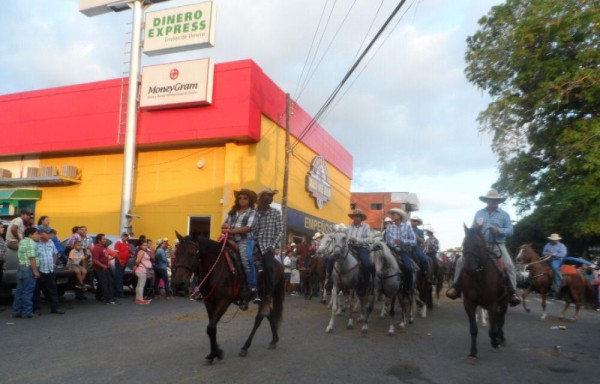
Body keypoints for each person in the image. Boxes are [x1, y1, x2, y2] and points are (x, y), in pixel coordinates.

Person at [446, 189, 521, 307]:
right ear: (487, 200)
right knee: (461, 261)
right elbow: (471, 229)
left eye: (495, 200)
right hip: (480, 245)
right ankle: (456, 287)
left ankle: (513, 293)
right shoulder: (479, 213)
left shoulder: (504, 215)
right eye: (490, 199)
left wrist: (499, 230)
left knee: (510, 266)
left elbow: (511, 230)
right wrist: (475, 228)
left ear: (498, 201)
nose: (492, 202)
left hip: (498, 245)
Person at [222, 188, 260, 304]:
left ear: (250, 200)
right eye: (240, 198)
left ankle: (253, 289)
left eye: (245, 198)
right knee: (214, 254)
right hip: (229, 240)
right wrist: (225, 228)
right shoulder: (232, 213)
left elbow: (248, 228)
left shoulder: (253, 213)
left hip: (245, 240)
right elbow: (223, 226)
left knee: (247, 259)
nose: (242, 200)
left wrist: (230, 231)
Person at [254, 187, 283, 304]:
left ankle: (269, 294)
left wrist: (272, 245)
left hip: (267, 246)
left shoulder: (276, 213)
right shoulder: (253, 213)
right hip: (253, 244)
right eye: (268, 195)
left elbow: (280, 231)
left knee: (269, 267)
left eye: (272, 196)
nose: (270, 198)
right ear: (261, 198)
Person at [32, 228, 65, 315]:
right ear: (41, 235)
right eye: (47, 234)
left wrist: (54, 264)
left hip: (50, 270)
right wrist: (35, 270)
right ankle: (36, 309)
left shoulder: (51, 242)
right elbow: (33, 258)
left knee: (53, 290)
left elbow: (55, 253)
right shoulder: (35, 244)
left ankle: (55, 308)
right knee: (37, 290)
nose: (49, 235)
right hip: (40, 270)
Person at [385, 208, 416, 291]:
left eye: (394, 214)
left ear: (400, 216)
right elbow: (388, 240)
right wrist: (393, 244)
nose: (392, 216)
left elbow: (414, 241)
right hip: (391, 251)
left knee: (408, 268)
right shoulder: (389, 228)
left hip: (403, 251)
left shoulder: (407, 227)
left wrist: (402, 241)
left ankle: (409, 288)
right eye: (392, 214)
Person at [11, 227, 40, 318]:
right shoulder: (32, 243)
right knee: (28, 291)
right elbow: (32, 257)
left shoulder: (22, 242)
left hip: (21, 267)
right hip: (29, 269)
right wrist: (35, 271)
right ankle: (27, 312)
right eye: (36, 233)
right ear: (31, 235)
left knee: (19, 291)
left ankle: (16, 311)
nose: (38, 235)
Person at [346, 209, 374, 295]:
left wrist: (357, 239)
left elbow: (369, 239)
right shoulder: (349, 226)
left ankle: (365, 284)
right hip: (349, 247)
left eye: (358, 216)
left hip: (361, 247)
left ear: (362, 218)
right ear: (353, 217)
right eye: (355, 216)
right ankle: (331, 281)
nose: (356, 218)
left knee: (366, 264)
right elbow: (345, 237)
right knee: (335, 259)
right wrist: (348, 241)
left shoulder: (366, 227)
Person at [92, 234, 116, 305]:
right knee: (104, 283)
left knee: (109, 282)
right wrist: (103, 265)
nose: (105, 240)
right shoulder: (96, 248)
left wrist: (107, 262)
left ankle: (99, 296)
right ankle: (108, 299)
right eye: (103, 239)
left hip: (106, 267)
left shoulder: (104, 248)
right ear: (99, 240)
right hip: (99, 268)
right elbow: (95, 260)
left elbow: (108, 256)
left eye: (105, 239)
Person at [409, 216, 434, 283]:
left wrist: (417, 237)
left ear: (417, 223)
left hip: (416, 247)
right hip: (406, 247)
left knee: (425, 259)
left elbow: (422, 241)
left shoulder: (420, 231)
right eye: (412, 220)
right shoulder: (407, 230)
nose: (413, 222)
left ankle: (427, 274)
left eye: (415, 221)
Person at [542, 233, 568, 298]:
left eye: (554, 240)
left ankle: (558, 282)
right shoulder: (548, 245)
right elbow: (543, 252)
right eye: (552, 239)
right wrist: (547, 253)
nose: (553, 241)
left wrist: (553, 254)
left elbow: (563, 254)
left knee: (554, 267)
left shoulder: (562, 246)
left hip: (557, 260)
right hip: (548, 259)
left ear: (557, 240)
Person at [133, 240, 153, 304]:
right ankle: (140, 299)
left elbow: (153, 257)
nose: (145, 246)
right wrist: (139, 266)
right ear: (141, 246)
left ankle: (138, 298)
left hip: (142, 270)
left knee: (139, 285)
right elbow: (137, 261)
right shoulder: (141, 252)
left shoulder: (145, 251)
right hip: (142, 270)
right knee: (141, 285)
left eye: (146, 245)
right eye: (144, 245)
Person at [114, 232, 132, 298]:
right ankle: (118, 292)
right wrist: (120, 261)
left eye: (126, 236)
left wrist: (131, 254)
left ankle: (119, 291)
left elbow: (129, 251)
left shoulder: (127, 243)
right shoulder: (118, 243)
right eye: (124, 236)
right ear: (122, 236)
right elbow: (116, 253)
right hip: (119, 263)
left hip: (125, 262)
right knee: (119, 277)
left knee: (121, 277)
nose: (125, 237)